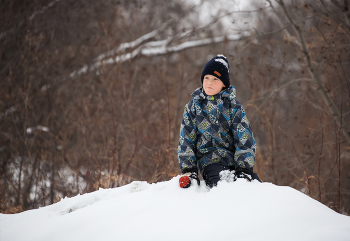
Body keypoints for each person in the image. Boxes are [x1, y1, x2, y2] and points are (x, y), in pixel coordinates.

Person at [177, 54, 261, 188]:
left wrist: (244, 169)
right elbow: (186, 139)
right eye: (206, 78)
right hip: (210, 161)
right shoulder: (193, 107)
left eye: (215, 79)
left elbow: (244, 138)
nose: (209, 82)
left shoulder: (233, 107)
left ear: (223, 84)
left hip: (234, 162)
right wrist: (189, 170)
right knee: (222, 184)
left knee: (254, 185)